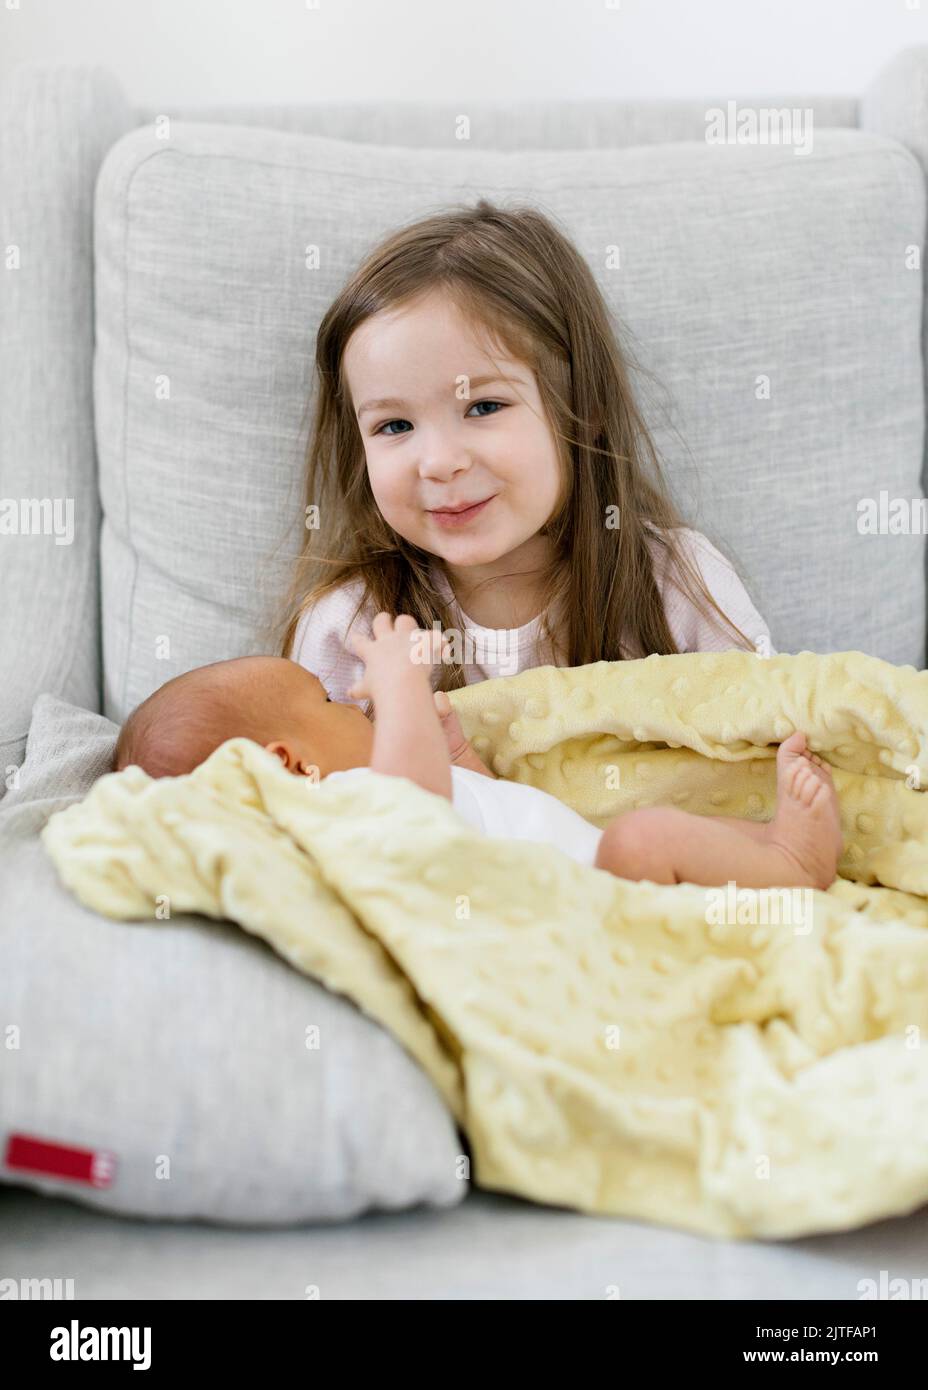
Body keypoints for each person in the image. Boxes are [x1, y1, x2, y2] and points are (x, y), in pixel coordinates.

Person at [114, 617, 842, 892]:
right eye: (331, 706)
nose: (354, 707)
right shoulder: (343, 822)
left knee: (653, 830)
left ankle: (766, 846)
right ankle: (789, 865)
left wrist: (458, 752)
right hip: (593, 902)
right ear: (291, 764)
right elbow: (416, 811)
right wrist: (399, 684)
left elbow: (484, 817)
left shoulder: (376, 797)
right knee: (642, 835)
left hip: (586, 868)